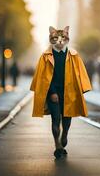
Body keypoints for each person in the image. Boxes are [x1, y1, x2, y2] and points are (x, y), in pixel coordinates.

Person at [30, 26, 92, 159]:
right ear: (51, 38)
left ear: (67, 38)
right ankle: (57, 145)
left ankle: (64, 135)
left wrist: (82, 88)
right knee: (55, 119)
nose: (59, 41)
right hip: (53, 93)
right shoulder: (45, 56)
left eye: (62, 38)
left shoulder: (73, 55)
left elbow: (80, 73)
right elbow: (43, 76)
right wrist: (51, 92)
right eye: (55, 38)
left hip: (69, 93)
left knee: (67, 120)